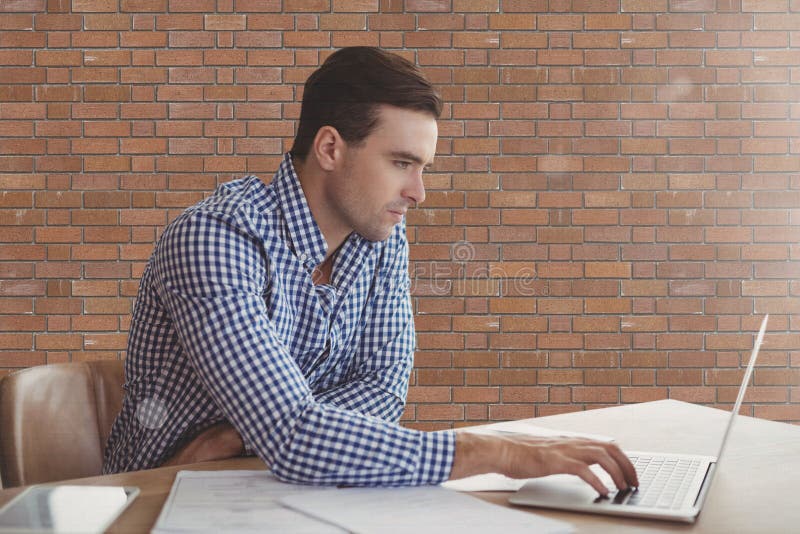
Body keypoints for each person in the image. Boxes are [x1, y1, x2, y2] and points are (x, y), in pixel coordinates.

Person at [103, 46, 638, 495]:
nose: (418, 192)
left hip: (275, 485)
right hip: (156, 497)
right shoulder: (216, 237)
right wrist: (490, 450)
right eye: (402, 163)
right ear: (331, 147)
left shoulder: (381, 235)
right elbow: (291, 436)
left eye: (421, 168)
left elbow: (383, 388)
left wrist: (241, 435)